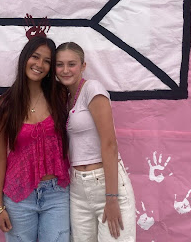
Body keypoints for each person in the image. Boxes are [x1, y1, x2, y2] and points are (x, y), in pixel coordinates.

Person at [0, 36, 70, 242]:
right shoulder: (5, 106)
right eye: (35, 57)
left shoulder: (60, 96)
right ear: (25, 58)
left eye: (47, 61)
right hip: (19, 196)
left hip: (56, 194)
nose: (39, 65)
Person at [55, 42, 136, 241]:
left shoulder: (93, 88)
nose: (65, 70)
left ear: (83, 66)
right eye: (60, 64)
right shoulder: (64, 98)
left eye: (72, 64)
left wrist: (111, 197)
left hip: (105, 184)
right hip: (77, 188)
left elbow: (109, 143)